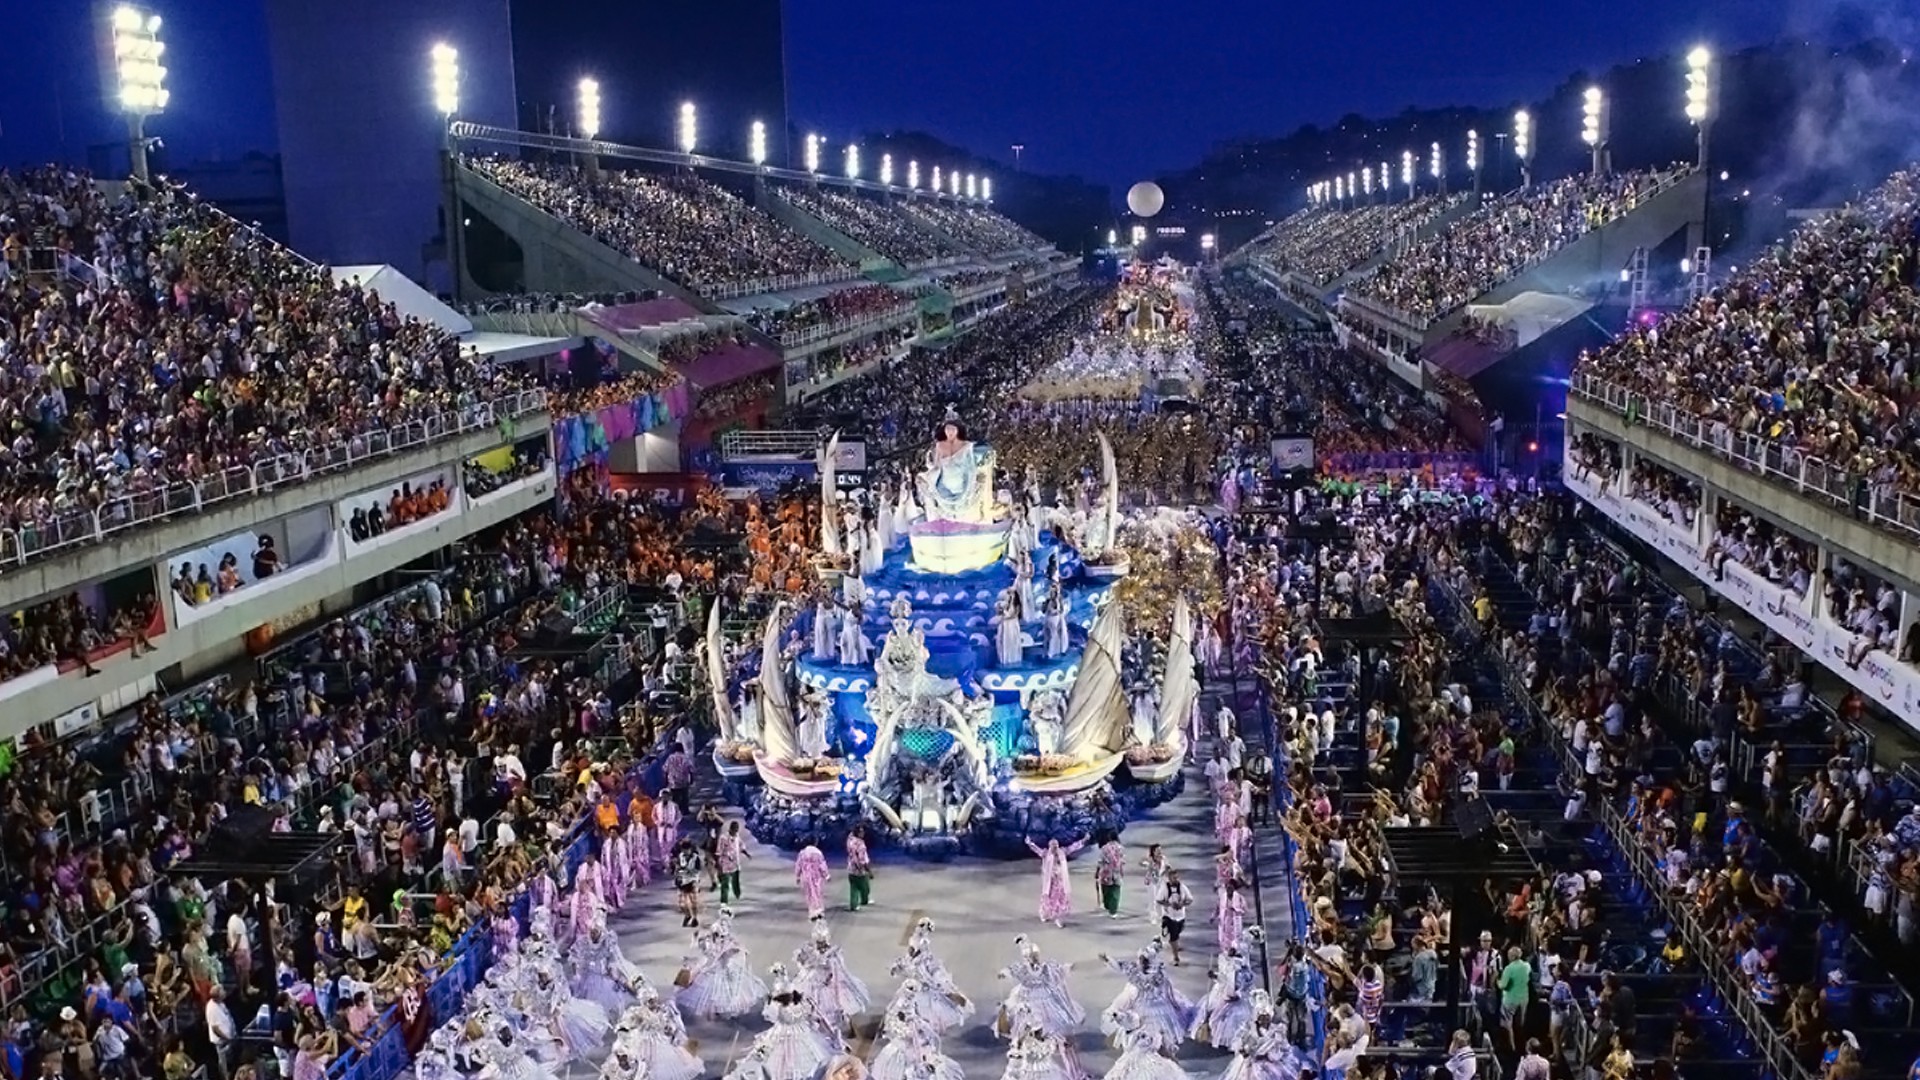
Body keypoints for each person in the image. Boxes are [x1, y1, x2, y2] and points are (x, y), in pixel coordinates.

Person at [997, 936, 1085, 1040]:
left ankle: (1041, 1034)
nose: (1036, 958)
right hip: (1027, 997)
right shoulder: (1023, 969)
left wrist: (1070, 967)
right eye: (1033, 956)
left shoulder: (1046, 968)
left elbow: (1059, 970)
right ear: (1027, 957)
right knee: (1027, 1016)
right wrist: (1003, 973)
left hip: (1045, 997)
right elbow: (1010, 971)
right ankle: (1024, 1036)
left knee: (1049, 1019)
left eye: (1037, 956)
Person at [1025, 836, 1086, 926]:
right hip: (1050, 882)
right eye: (1053, 845)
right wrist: (1029, 843)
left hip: (1060, 881)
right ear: (1050, 846)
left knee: (1059, 899)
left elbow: (1073, 847)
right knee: (1047, 898)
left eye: (1056, 845)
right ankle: (1045, 914)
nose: (1055, 847)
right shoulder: (1046, 853)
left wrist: (1084, 840)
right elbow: (1036, 849)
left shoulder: (1062, 852)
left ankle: (1058, 918)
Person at [1159, 870, 1195, 966]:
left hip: (1181, 916)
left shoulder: (1182, 887)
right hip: (1169, 916)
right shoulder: (1164, 888)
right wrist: (1170, 905)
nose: (1176, 879)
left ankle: (1174, 944)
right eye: (1174, 878)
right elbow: (1159, 900)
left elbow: (1190, 899)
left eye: (1177, 877)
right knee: (1174, 936)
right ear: (1169, 878)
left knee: (1178, 933)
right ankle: (1176, 957)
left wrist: (1182, 904)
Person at [672, 839, 705, 927]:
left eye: (687, 849)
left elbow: (698, 870)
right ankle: (688, 915)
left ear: (690, 849)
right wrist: (677, 876)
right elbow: (677, 868)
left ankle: (695, 918)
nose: (685, 851)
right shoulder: (680, 856)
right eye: (684, 850)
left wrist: (693, 876)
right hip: (683, 881)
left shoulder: (695, 857)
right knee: (682, 904)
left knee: (694, 901)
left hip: (692, 880)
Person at [795, 840, 832, 918]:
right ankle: (819, 909)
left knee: (809, 894)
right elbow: (822, 865)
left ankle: (812, 911)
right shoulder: (818, 853)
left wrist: (798, 876)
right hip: (816, 876)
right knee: (817, 893)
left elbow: (798, 865)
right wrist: (826, 875)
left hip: (806, 876)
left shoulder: (802, 853)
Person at [717, 820, 750, 903]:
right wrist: (719, 864)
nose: (736, 831)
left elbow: (741, 845)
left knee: (736, 881)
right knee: (725, 884)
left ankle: (737, 894)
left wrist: (746, 853)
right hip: (725, 864)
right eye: (734, 830)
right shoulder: (723, 838)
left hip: (735, 863)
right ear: (730, 829)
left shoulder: (737, 836)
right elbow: (719, 851)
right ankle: (724, 901)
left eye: (737, 830)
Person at [1095, 836, 1127, 918]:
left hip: (1106, 872)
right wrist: (1122, 871)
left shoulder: (1104, 848)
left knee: (1106, 890)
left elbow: (1100, 861)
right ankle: (1113, 911)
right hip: (1117, 872)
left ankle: (1107, 905)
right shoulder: (1121, 848)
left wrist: (1097, 872)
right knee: (1116, 891)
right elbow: (1123, 862)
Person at [847, 825, 875, 911]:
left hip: (851, 867)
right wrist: (869, 871)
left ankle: (854, 905)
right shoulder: (860, 844)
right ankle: (864, 900)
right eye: (861, 832)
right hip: (860, 869)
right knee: (864, 887)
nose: (863, 833)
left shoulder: (850, 840)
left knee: (854, 887)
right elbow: (862, 859)